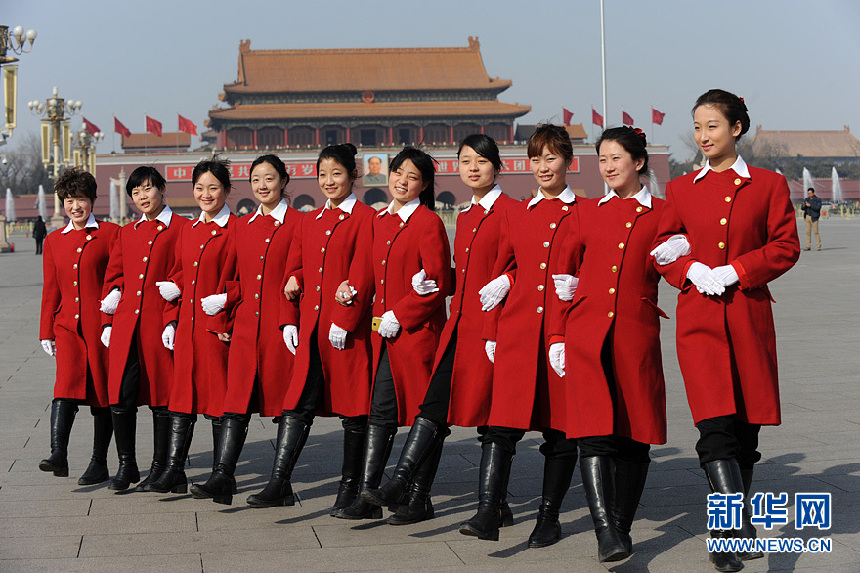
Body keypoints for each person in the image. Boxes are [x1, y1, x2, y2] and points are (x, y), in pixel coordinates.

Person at [652, 89, 800, 572]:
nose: (703, 136)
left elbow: (785, 246)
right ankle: (738, 529)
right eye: (697, 127)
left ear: (736, 128)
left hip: (748, 319)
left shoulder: (768, 185)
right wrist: (690, 270)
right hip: (699, 324)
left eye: (712, 125)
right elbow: (663, 248)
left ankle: (723, 529)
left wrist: (737, 270)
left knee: (744, 438)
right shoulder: (681, 188)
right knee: (714, 432)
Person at [361, 134, 519, 526]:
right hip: (460, 329)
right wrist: (434, 280)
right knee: (434, 410)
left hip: (491, 329)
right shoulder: (465, 215)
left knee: (492, 421)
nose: (472, 168)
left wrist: (509, 280)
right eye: (465, 161)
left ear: (497, 166)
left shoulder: (512, 212)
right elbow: (457, 277)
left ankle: (489, 506)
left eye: (481, 161)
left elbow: (526, 263)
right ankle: (406, 488)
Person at [548, 127, 676, 562]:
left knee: (634, 437)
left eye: (615, 158)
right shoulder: (585, 213)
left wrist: (684, 255)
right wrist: (557, 335)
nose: (607, 166)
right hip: (585, 337)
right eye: (601, 158)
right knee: (592, 434)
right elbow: (560, 277)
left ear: (638, 162)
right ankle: (606, 531)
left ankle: (621, 525)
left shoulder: (662, 214)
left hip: (635, 338)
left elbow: (677, 271)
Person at [460, 124, 579, 547]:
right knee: (500, 426)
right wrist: (492, 330)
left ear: (568, 161)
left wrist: (578, 286)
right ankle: (488, 511)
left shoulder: (581, 213)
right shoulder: (516, 213)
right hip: (516, 331)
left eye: (550, 158)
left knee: (560, 431)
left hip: (560, 336)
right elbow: (502, 273)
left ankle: (548, 517)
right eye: (535, 159)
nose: (543, 167)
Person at [244, 144, 375, 511]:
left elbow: (364, 275)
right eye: (322, 175)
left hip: (347, 332)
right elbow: (294, 267)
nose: (329, 181)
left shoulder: (366, 218)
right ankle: (279, 482)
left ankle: (350, 488)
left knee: (353, 412)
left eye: (336, 174)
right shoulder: (310, 220)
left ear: (352, 176)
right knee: (297, 407)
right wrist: (289, 313)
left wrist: (346, 321)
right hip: (312, 330)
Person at [333, 146, 451, 520]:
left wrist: (401, 313)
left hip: (417, 336)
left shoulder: (427, 222)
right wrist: (345, 301)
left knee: (424, 419)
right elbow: (363, 274)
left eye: (412, 176)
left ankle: (418, 497)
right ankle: (368, 499)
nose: (401, 180)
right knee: (380, 414)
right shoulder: (379, 220)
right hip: (383, 337)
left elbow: (438, 280)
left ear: (424, 185)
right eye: (398, 172)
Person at [191, 154, 303, 505]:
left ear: (284, 181)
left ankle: (280, 484)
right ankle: (223, 476)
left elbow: (302, 272)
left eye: (269, 179)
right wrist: (221, 320)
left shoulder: (300, 223)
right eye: (256, 180)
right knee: (235, 401)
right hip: (244, 327)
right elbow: (233, 279)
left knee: (287, 405)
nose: (262, 186)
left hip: (281, 329)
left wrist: (290, 313)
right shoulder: (244, 226)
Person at [145, 159, 237, 494]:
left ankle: (220, 475)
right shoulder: (189, 230)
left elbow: (242, 281)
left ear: (226, 190)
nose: (206, 194)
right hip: (188, 328)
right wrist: (171, 316)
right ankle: (174, 470)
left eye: (213, 187)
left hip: (216, 330)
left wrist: (225, 303)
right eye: (200, 188)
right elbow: (180, 275)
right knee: (182, 399)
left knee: (217, 402)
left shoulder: (235, 230)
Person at [100, 166, 190, 491]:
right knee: (121, 396)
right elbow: (115, 276)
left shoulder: (181, 228)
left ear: (162, 189)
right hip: (127, 325)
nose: (142, 196)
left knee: (161, 397)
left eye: (148, 189)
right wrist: (109, 315)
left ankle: (162, 467)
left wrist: (174, 308)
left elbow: (187, 270)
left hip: (159, 325)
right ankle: (127, 464)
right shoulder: (127, 232)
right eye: (136, 192)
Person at [38, 167, 119, 485]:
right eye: (70, 200)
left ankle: (99, 462)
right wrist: (45, 329)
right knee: (65, 388)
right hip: (67, 329)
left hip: (101, 330)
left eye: (81, 199)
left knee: (102, 396)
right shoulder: (53, 241)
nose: (76, 206)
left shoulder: (110, 234)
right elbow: (51, 289)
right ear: (62, 203)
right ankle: (59, 454)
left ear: (92, 201)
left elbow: (119, 277)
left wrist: (113, 312)